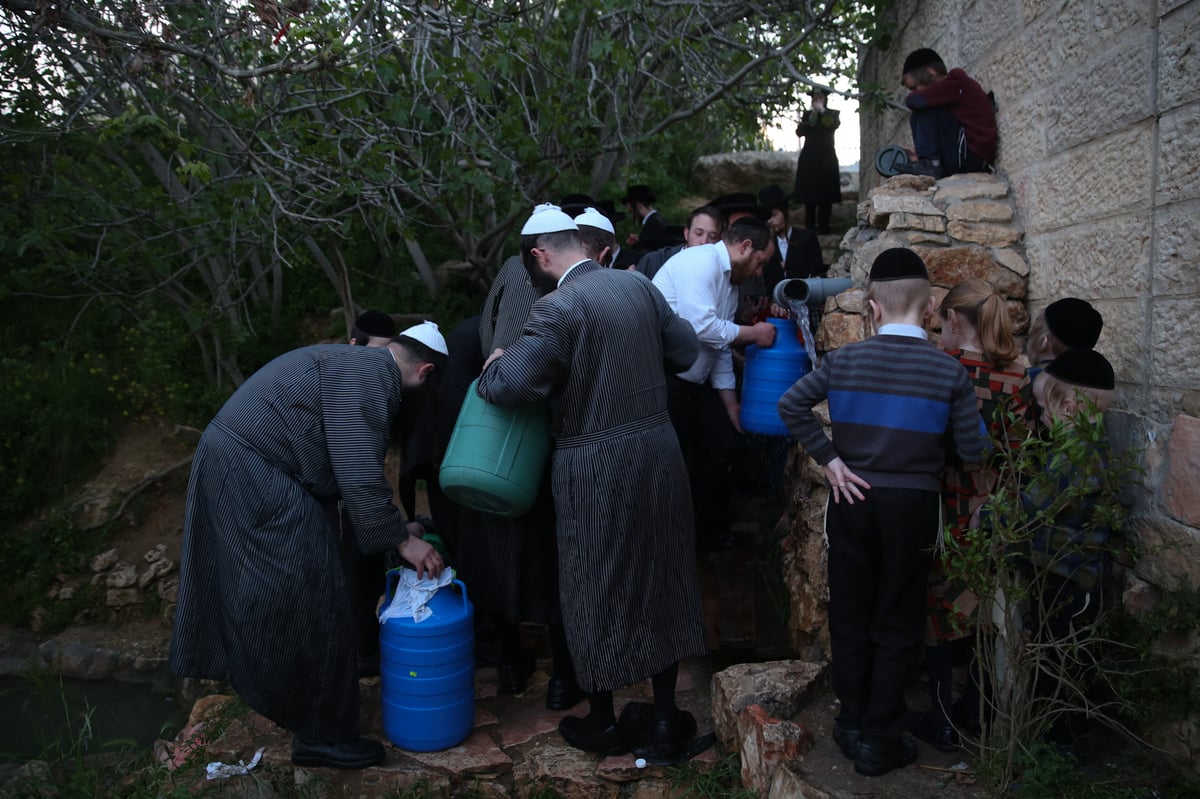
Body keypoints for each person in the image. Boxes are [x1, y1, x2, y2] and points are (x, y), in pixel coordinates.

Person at [476, 203, 707, 761]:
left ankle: (602, 720)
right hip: (657, 450)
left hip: (593, 462)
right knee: (663, 574)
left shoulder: (559, 305)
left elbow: (510, 385)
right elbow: (685, 352)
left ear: (539, 256)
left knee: (593, 582)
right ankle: (662, 719)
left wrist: (496, 362)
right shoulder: (640, 287)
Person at [169, 322, 449, 770]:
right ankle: (322, 736)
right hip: (256, 473)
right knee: (312, 597)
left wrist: (398, 529)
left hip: (243, 465)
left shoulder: (356, 363)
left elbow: (346, 466)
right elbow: (358, 471)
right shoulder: (374, 377)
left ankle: (311, 714)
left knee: (307, 589)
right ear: (426, 371)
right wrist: (401, 542)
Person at [777, 247, 983, 777]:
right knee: (897, 622)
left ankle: (851, 722)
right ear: (932, 308)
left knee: (850, 617)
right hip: (914, 507)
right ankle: (879, 740)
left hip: (852, 500)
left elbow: (790, 405)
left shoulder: (844, 361)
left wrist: (831, 460)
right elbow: (975, 450)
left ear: (871, 309)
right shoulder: (949, 373)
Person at [914, 279, 1032, 750]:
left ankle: (942, 717)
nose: (939, 331)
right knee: (986, 606)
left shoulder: (944, 369)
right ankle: (978, 710)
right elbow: (1021, 454)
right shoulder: (1018, 375)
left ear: (956, 320)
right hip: (994, 506)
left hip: (945, 504)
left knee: (937, 610)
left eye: (941, 321)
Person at [652, 216, 778, 550]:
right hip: (664, 381)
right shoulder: (699, 263)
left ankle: (710, 538)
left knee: (719, 448)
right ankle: (668, 545)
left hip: (696, 383)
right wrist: (754, 334)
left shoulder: (730, 283)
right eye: (760, 262)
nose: (759, 272)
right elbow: (700, 327)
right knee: (671, 466)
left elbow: (718, 344)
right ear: (745, 247)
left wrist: (730, 403)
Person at [1014, 349, 1117, 756]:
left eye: (1042, 409)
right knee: (1058, 661)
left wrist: (987, 516)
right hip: (1068, 578)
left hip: (1070, 582)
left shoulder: (1074, 456)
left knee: (1057, 667)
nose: (1040, 417)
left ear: (1069, 407)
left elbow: (1032, 506)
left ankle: (1059, 752)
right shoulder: (1091, 443)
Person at [899, 48, 997, 178]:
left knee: (926, 108)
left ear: (931, 73)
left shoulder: (956, 82)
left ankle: (931, 165)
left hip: (972, 158)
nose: (913, 92)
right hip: (963, 156)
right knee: (918, 115)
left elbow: (915, 100)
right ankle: (929, 163)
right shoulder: (948, 92)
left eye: (914, 87)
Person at [758, 185, 825, 295]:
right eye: (767, 218)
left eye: (774, 215)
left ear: (784, 212)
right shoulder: (766, 244)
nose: (770, 221)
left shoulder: (807, 237)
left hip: (805, 297)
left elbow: (818, 271)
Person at [792, 87, 842, 233]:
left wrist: (822, 111)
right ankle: (809, 226)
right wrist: (812, 115)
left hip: (826, 158)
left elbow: (834, 124)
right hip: (810, 158)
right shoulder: (808, 115)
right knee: (809, 194)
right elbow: (799, 132)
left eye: (820, 98)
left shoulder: (832, 114)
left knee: (826, 193)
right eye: (815, 99)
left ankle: (824, 226)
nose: (817, 101)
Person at [635, 205, 725, 280]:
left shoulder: (723, 271)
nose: (704, 241)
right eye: (698, 233)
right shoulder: (654, 261)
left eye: (713, 237)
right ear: (686, 233)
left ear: (720, 241)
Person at [620, 184, 675, 257]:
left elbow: (648, 254)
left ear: (638, 205)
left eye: (631, 212)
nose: (632, 215)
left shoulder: (653, 224)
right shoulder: (656, 221)